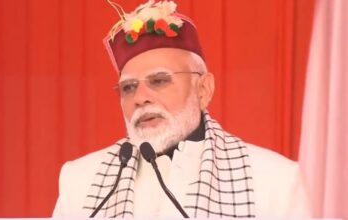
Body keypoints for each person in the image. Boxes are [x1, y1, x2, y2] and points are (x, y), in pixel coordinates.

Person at [52, 0, 310, 218]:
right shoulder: (80, 181)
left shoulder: (275, 182)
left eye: (160, 80)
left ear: (203, 89)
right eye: (129, 87)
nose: (140, 98)